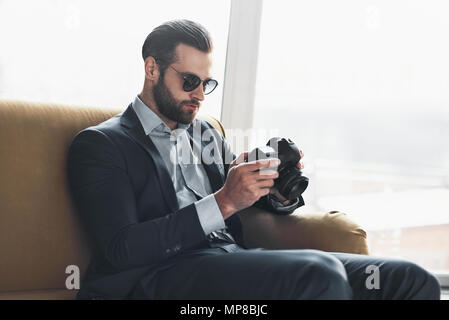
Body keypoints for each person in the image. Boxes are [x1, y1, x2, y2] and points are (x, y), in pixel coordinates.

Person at [67, 19, 440, 300]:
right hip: (160, 276)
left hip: (228, 260)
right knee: (318, 272)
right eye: (189, 81)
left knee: (409, 278)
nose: (199, 95)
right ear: (152, 69)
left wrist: (273, 189)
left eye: (206, 84)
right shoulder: (102, 144)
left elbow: (246, 200)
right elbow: (121, 248)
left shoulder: (205, 133)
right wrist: (225, 200)